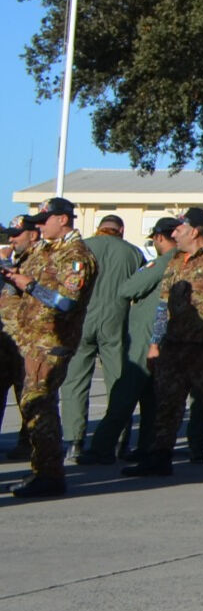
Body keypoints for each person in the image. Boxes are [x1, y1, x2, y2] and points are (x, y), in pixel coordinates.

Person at [139, 208, 203, 491]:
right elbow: (162, 306)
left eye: (179, 228)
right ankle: (160, 456)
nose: (174, 233)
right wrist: (154, 343)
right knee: (167, 401)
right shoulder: (175, 262)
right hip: (174, 345)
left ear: (195, 231)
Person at [1, 197, 100, 499]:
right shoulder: (46, 251)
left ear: (63, 219)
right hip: (30, 339)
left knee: (39, 405)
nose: (40, 227)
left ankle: (50, 474)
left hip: (51, 342)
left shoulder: (76, 256)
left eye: (45, 221)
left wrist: (30, 285)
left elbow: (66, 302)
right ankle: (43, 470)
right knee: (33, 406)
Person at [59, 212, 137, 467]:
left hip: (81, 320)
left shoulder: (81, 249)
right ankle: (118, 439)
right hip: (117, 321)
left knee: (75, 382)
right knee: (118, 382)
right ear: (121, 230)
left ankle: (74, 440)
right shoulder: (132, 253)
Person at [101, 220, 178, 464]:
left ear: (159, 238)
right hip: (164, 334)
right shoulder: (183, 261)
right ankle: (147, 446)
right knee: (152, 397)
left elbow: (129, 288)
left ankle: (102, 446)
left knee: (125, 392)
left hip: (146, 334)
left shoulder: (163, 262)